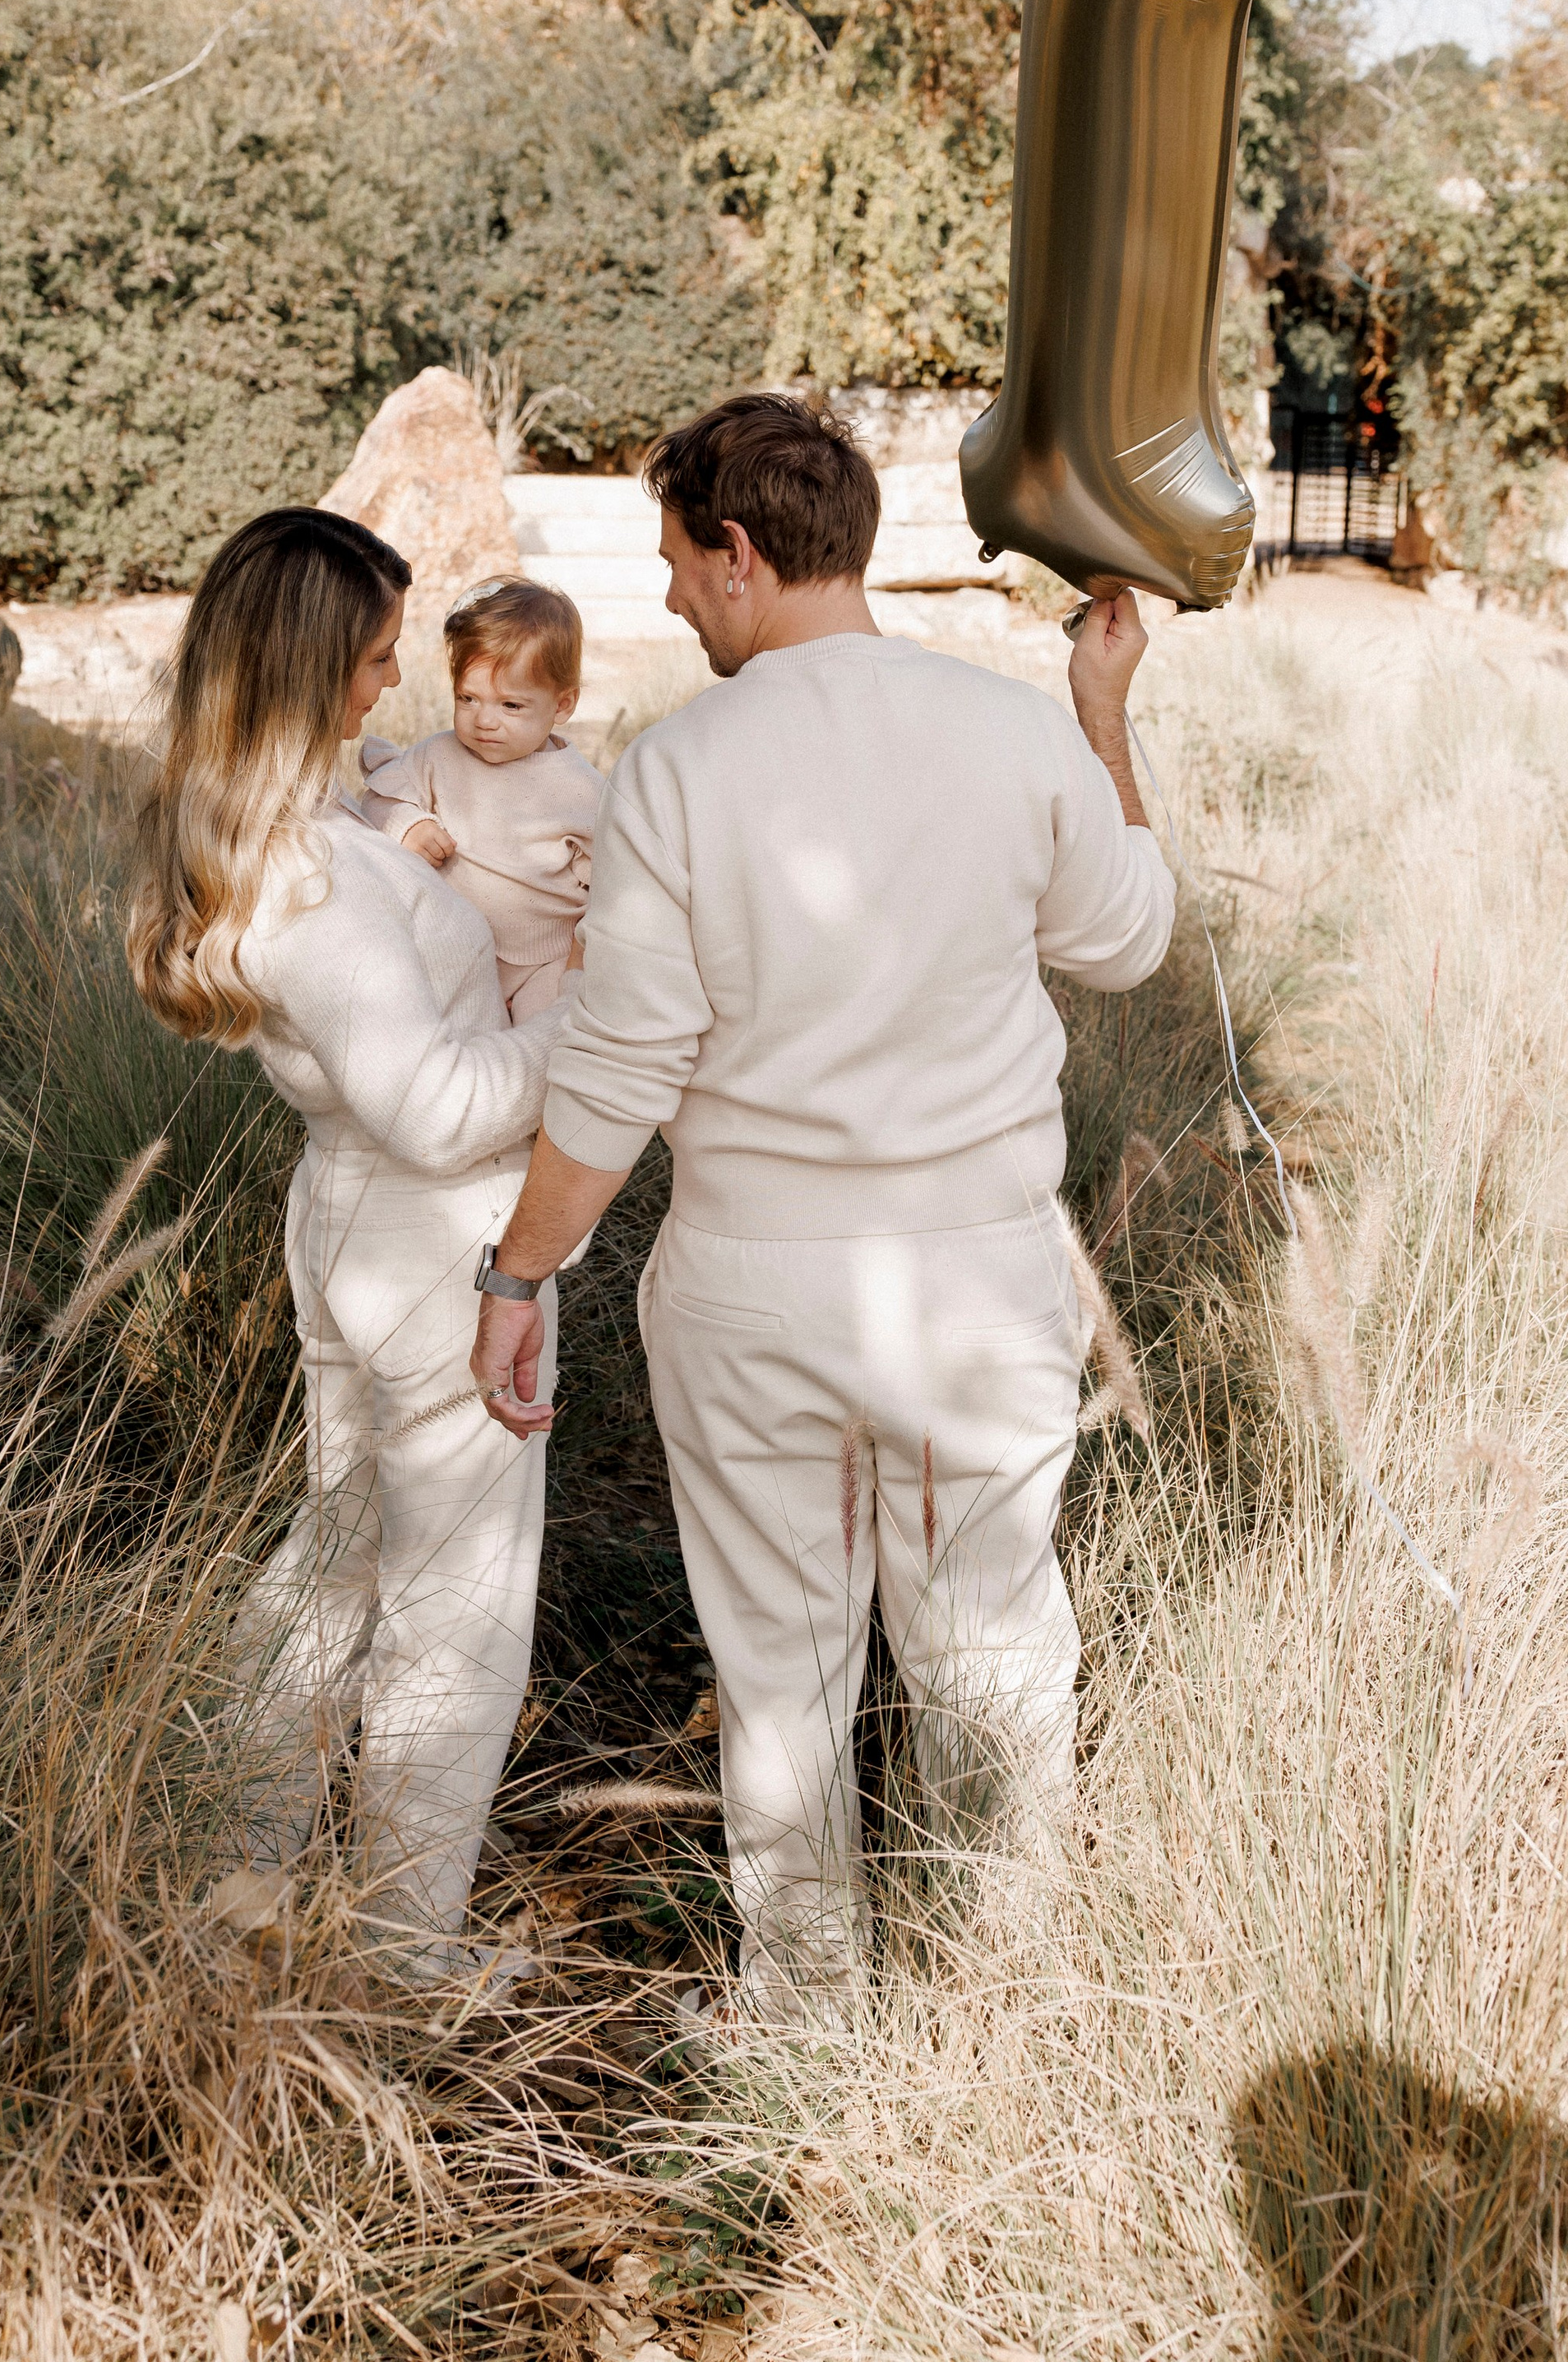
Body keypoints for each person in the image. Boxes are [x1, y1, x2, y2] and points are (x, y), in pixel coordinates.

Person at [468, 394, 1174, 2001]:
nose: (660, 599)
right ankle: (995, 2008)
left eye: (669, 562)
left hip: (751, 1279)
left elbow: (619, 1069)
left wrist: (518, 1277)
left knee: (780, 1675)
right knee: (990, 1658)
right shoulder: (1015, 737)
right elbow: (1128, 938)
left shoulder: (675, 769)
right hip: (981, 1281)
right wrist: (1099, 708)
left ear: (735, 553)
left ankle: (803, 2025)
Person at [127, 507, 574, 1980]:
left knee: (335, 1563)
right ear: (311, 662)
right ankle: (395, 1957)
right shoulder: (313, 890)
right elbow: (441, 1106)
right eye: (375, 658)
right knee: (453, 1606)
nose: (391, 688)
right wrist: (608, 1021)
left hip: (353, 1223)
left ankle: (241, 1874)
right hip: (435, 1237)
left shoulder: (286, 834)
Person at [360, 578, 604, 1023]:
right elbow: (379, 796)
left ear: (562, 705)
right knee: (455, 1042)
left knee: (546, 1036)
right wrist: (408, 825)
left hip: (544, 960)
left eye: (511, 706)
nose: (484, 720)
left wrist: (581, 957)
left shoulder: (581, 791)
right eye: (468, 698)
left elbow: (610, 886)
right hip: (456, 952)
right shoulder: (439, 755)